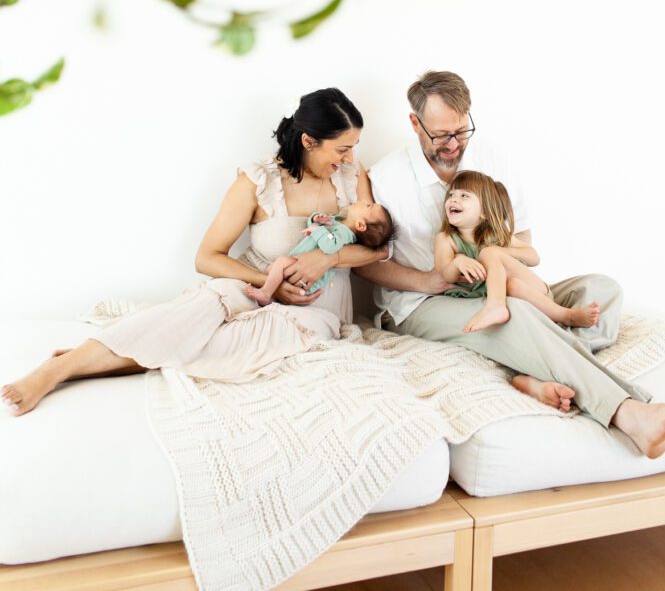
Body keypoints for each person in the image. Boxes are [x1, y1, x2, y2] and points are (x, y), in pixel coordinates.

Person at [356, 69, 665, 459]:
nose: (453, 144)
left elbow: (524, 239)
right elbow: (364, 265)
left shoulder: (490, 156)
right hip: (421, 304)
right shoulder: (386, 178)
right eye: (441, 134)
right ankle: (628, 412)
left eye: (461, 131)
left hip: (495, 284)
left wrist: (504, 267)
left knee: (602, 288)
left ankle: (531, 372)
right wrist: (430, 281)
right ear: (415, 124)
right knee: (515, 314)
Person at [1, 88, 389, 416]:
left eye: (353, 148)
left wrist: (328, 258)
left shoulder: (354, 180)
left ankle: (109, 362)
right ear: (308, 141)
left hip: (312, 309)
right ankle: (59, 369)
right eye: (342, 148)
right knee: (196, 310)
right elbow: (207, 258)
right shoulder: (257, 180)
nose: (350, 158)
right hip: (254, 286)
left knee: (255, 338)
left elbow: (378, 248)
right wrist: (266, 283)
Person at [435, 169, 600, 333]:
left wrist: (499, 252)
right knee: (512, 285)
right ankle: (556, 316)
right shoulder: (446, 239)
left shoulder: (497, 236)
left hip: (537, 292)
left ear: (484, 212)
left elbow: (534, 258)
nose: (454, 199)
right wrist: (457, 262)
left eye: (464, 195)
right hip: (516, 292)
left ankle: (567, 315)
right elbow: (446, 274)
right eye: (451, 195)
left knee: (489, 253)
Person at [246, 202, 395, 306]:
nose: (363, 201)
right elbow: (315, 229)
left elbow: (330, 246)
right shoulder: (339, 223)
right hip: (299, 269)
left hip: (307, 280)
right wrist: (316, 219)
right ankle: (270, 296)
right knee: (275, 268)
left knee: (281, 262)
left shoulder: (345, 235)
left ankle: (266, 294)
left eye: (368, 206)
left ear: (360, 225)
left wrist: (318, 230)